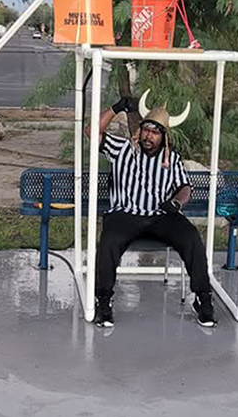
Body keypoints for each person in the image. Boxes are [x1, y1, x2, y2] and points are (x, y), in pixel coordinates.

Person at [91, 91, 217, 328]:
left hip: (160, 215)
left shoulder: (173, 158)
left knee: (191, 238)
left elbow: (184, 187)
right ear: (140, 129)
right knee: (109, 242)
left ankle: (204, 299)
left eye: (155, 132)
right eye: (146, 129)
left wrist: (177, 203)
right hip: (125, 213)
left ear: (164, 136)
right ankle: (104, 302)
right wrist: (116, 108)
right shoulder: (122, 148)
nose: (149, 135)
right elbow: (92, 132)